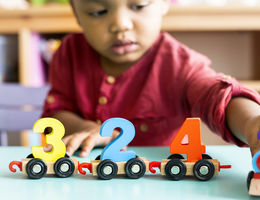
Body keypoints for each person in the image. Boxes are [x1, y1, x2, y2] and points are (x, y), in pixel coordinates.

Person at [42, 0, 260, 158]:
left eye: (138, 6)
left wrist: (252, 124)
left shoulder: (180, 64)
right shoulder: (69, 53)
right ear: (76, 13)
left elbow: (216, 95)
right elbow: (56, 113)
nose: (121, 25)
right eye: (98, 11)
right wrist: (86, 128)